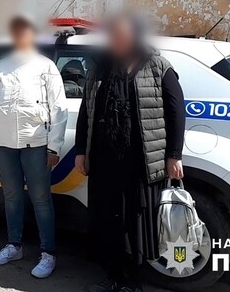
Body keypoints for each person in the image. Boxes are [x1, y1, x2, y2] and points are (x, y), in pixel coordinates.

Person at [74, 15, 185, 292]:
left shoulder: (158, 66)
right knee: (107, 219)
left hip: (141, 162)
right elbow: (86, 112)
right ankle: (113, 276)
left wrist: (174, 154)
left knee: (136, 223)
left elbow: (176, 112)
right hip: (105, 160)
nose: (117, 41)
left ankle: (134, 282)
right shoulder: (100, 68)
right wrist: (80, 151)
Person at [0, 15, 68, 279]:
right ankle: (14, 245)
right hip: (3, 145)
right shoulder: (0, 67)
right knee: (12, 196)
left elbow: (59, 109)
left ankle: (48, 253)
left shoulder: (46, 67)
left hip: (36, 144)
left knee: (41, 199)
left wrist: (54, 147)